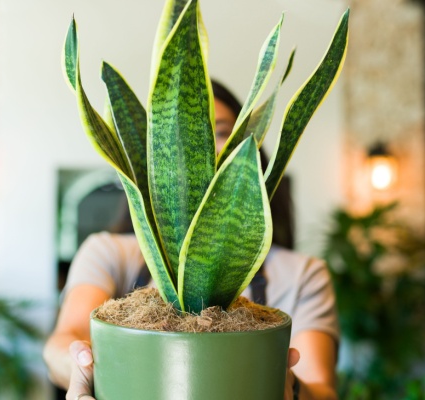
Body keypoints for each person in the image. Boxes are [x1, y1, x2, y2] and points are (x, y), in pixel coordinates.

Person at [43, 80, 339, 400]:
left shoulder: (302, 274)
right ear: (157, 162)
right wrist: (79, 365)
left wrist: (291, 387)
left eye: (223, 132)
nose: (204, 148)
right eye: (183, 141)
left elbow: (321, 389)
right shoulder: (109, 252)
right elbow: (65, 339)